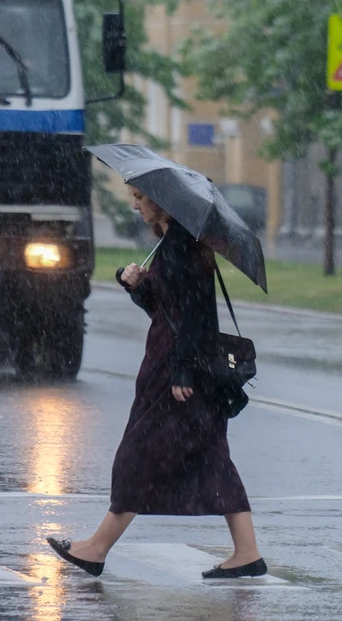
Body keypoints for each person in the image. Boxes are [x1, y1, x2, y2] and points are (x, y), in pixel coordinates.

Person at [47, 185, 266, 579]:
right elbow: (165, 310)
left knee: (138, 454)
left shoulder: (182, 247)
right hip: (174, 364)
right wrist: (135, 284)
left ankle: (96, 548)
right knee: (211, 457)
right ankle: (247, 553)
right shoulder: (172, 244)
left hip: (175, 372)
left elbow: (196, 316)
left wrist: (182, 370)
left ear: (161, 200)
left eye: (139, 197)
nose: (135, 205)